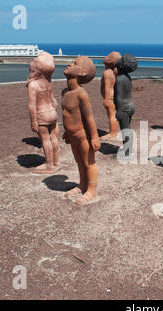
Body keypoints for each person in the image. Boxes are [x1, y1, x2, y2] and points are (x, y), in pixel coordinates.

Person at [61, 56, 100, 206]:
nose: (69, 64)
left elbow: (89, 117)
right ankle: (82, 184)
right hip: (72, 136)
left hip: (83, 136)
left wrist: (95, 137)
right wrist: (66, 131)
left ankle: (92, 189)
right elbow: (66, 114)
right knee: (79, 161)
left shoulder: (81, 94)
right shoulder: (65, 92)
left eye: (75, 63)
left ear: (82, 73)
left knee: (88, 162)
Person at [27, 52, 60, 174]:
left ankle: (49, 165)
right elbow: (53, 100)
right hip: (52, 112)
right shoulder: (48, 82)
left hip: (42, 114)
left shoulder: (33, 85)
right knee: (53, 138)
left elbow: (31, 105)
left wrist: (33, 121)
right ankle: (56, 162)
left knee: (45, 140)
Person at [112, 54, 138, 158]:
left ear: (123, 64)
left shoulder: (120, 79)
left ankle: (127, 152)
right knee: (128, 128)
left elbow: (119, 96)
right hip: (129, 106)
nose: (118, 59)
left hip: (123, 108)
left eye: (121, 59)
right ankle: (128, 149)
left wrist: (118, 110)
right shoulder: (127, 77)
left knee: (125, 130)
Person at [100, 51, 121, 141]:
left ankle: (112, 133)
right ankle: (115, 131)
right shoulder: (114, 72)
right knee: (114, 115)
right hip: (115, 97)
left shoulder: (107, 73)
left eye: (108, 56)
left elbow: (108, 87)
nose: (105, 57)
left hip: (110, 98)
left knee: (112, 115)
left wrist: (107, 99)